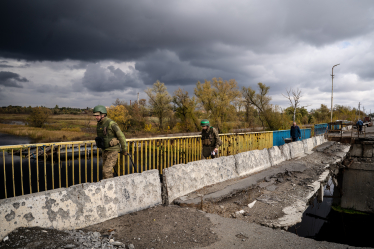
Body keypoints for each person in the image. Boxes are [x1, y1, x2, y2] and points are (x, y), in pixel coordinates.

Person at [93, 105, 127, 179]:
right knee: (105, 171)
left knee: (106, 171)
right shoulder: (99, 124)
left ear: (103, 115)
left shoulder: (111, 123)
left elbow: (121, 136)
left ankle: (110, 188)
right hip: (105, 150)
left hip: (113, 150)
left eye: (97, 115)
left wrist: (124, 149)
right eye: (95, 116)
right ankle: (107, 186)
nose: (96, 117)